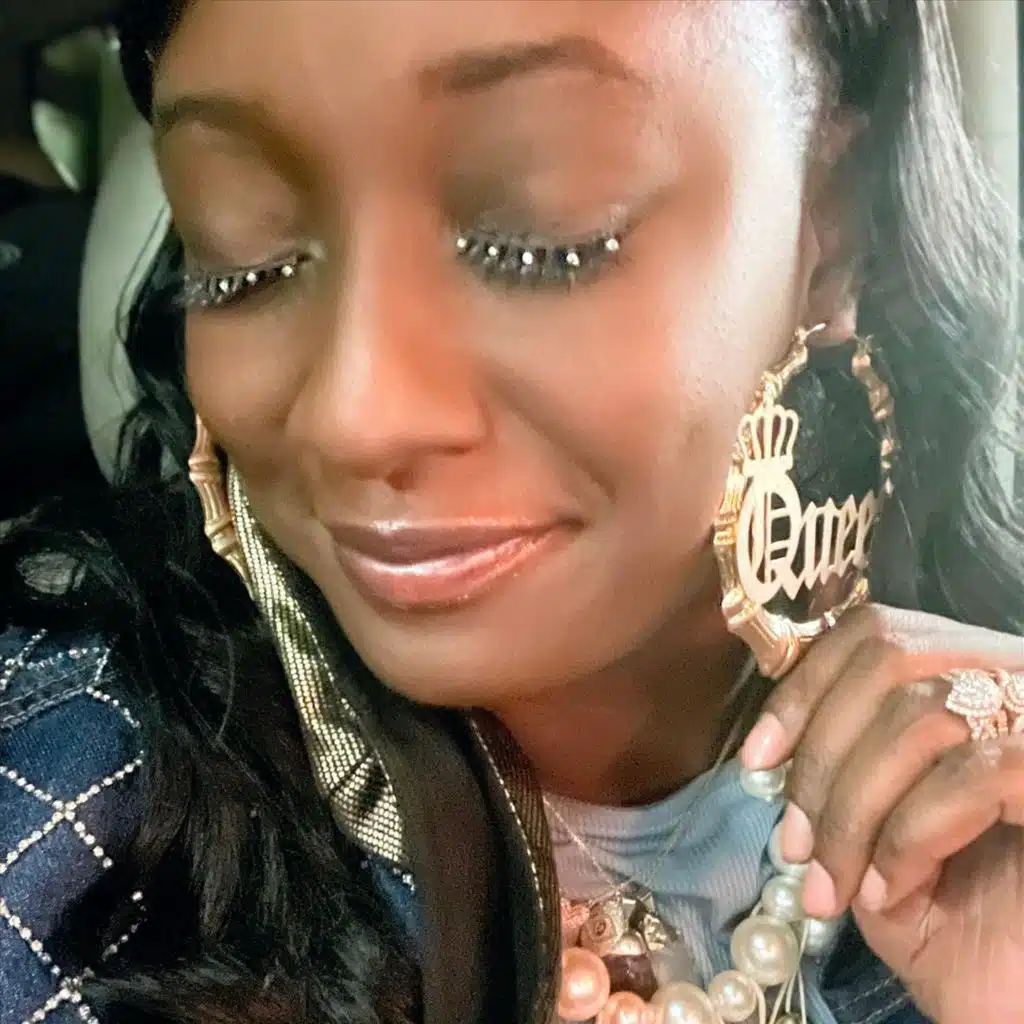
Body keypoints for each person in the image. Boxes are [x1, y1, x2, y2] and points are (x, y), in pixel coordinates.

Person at [1, 2, 1022, 1023]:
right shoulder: (68, 815)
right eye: (244, 260)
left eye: (540, 242)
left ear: (830, 228)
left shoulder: (990, 791)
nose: (356, 416)